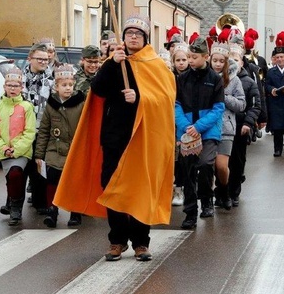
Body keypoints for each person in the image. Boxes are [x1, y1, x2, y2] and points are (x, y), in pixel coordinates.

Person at [53, 16, 176, 261]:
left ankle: (141, 242)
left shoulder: (156, 65)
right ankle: (117, 241)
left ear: (145, 39)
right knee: (111, 186)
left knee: (140, 187)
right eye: (129, 33)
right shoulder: (113, 61)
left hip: (142, 137)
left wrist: (140, 98)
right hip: (114, 135)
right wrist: (111, 64)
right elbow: (97, 90)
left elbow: (166, 99)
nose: (132, 37)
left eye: (138, 34)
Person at [175, 37, 225, 229]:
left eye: (194, 57)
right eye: (188, 56)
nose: (190, 60)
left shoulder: (215, 79)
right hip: (187, 131)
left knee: (205, 164)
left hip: (208, 131)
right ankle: (190, 214)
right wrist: (186, 125)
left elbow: (218, 108)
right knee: (187, 172)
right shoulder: (182, 78)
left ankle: (206, 200)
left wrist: (199, 127)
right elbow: (177, 105)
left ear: (206, 56)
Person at [34, 64, 85, 227]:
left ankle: (75, 213)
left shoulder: (80, 103)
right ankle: (52, 211)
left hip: (74, 150)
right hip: (54, 150)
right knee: (52, 181)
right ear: (56, 87)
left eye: (70, 85)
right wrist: (39, 155)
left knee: (74, 182)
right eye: (64, 85)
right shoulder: (51, 105)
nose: (68, 88)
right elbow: (43, 131)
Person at [0, 68, 36, 226]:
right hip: (4, 152)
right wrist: (3, 148)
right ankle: (11, 202)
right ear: (5, 87)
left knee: (16, 174)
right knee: (11, 179)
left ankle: (15, 209)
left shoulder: (27, 107)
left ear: (22, 87)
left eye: (16, 86)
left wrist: (17, 149)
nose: (13, 88)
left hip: (22, 152)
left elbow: (29, 132)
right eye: (10, 85)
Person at [210, 42, 245, 210]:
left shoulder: (234, 80)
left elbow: (241, 105)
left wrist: (224, 97)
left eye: (221, 61)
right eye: (214, 60)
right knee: (207, 166)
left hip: (226, 128)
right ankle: (211, 198)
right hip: (206, 128)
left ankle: (224, 190)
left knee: (222, 166)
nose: (217, 64)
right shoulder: (204, 77)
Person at [22, 43, 54, 214]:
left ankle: (41, 202)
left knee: (40, 165)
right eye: (39, 59)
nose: (43, 62)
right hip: (23, 130)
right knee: (21, 167)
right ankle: (14, 204)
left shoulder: (51, 80)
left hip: (43, 129)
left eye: (46, 59)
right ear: (30, 59)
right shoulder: (19, 78)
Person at [228, 45, 262, 207]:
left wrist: (249, 123)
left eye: (235, 60)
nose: (232, 63)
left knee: (237, 160)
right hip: (223, 126)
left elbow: (255, 105)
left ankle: (234, 191)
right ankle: (222, 191)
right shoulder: (220, 79)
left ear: (242, 63)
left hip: (240, 126)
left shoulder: (248, 82)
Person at [170, 44, 190, 207]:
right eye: (178, 60)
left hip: (185, 121)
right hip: (170, 121)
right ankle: (172, 188)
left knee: (184, 158)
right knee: (173, 159)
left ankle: (181, 189)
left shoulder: (192, 77)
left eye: (184, 59)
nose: (181, 63)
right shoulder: (169, 77)